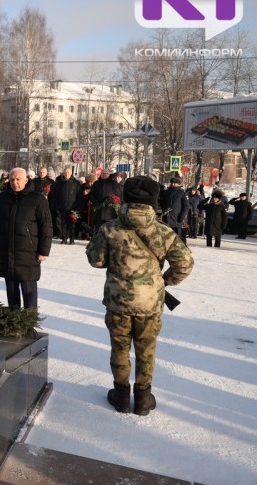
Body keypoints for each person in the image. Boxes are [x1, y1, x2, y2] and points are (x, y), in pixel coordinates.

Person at [86, 176, 194, 416]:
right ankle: (144, 399)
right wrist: (165, 281)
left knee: (120, 349)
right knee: (146, 351)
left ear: (126, 199)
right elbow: (185, 264)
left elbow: (96, 260)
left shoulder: (110, 229)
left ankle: (122, 396)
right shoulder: (164, 232)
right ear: (153, 201)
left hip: (118, 302)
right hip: (150, 303)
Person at [0, 167, 52, 309]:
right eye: (12, 179)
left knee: (28, 290)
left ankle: (30, 322)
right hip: (7, 250)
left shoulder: (38, 199)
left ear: (26, 180)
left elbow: (46, 226)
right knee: (11, 289)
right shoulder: (2, 198)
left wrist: (43, 251)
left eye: (18, 179)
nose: (15, 182)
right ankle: (14, 321)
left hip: (29, 252)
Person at [53, 167, 82, 245]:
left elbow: (79, 196)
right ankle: (64, 238)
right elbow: (56, 196)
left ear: (71, 173)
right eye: (65, 172)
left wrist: (78, 207)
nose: (67, 174)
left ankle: (72, 239)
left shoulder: (76, 183)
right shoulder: (59, 183)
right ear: (63, 173)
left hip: (73, 207)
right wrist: (57, 206)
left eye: (68, 172)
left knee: (72, 224)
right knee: (63, 223)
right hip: (62, 206)